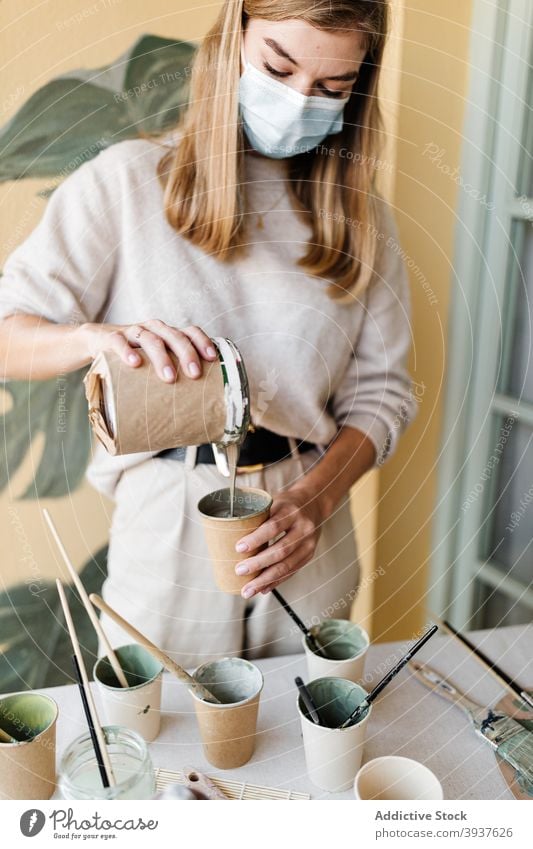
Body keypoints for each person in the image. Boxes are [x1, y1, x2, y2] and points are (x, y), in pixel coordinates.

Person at [0, 0, 417, 668]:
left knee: (309, 748)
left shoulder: (360, 220)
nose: (297, 101)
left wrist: (315, 499)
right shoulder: (125, 183)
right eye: (277, 66)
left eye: (330, 90)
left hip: (307, 525)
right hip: (167, 517)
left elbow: (384, 395)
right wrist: (92, 339)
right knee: (158, 737)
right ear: (233, 40)